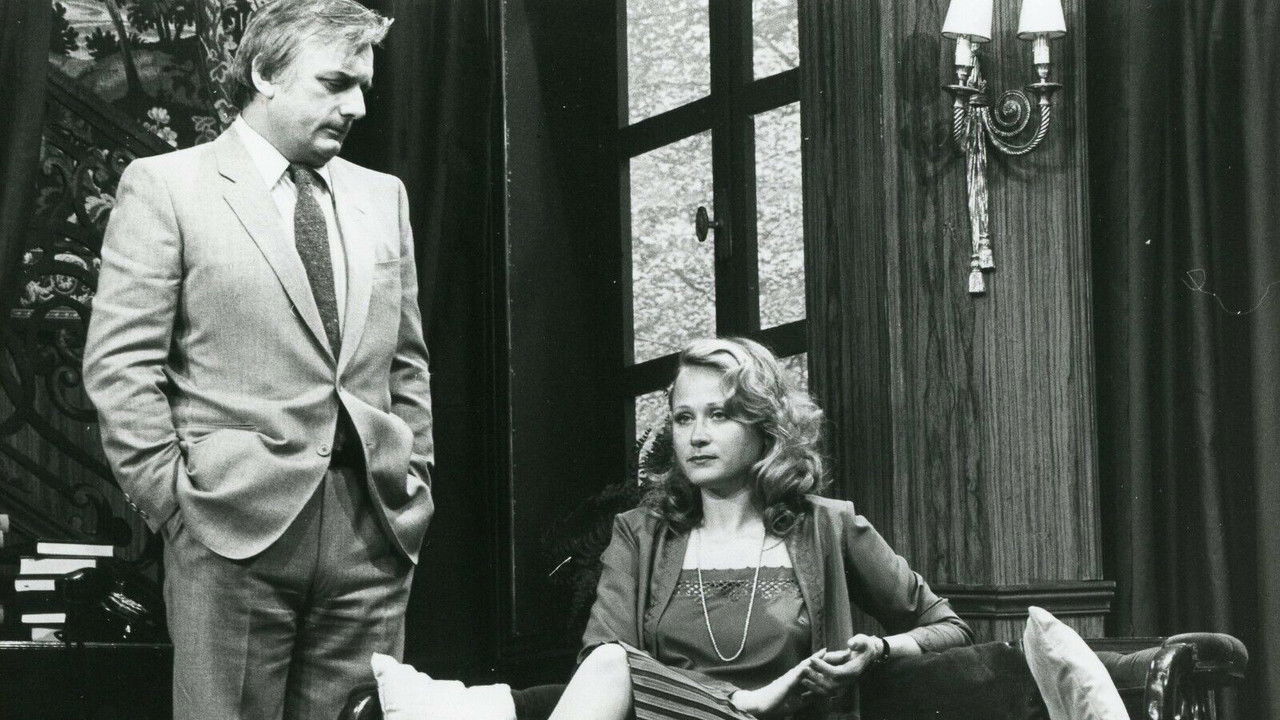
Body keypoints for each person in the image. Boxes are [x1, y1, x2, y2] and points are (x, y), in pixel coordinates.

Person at [81, 2, 434, 718]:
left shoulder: (382, 197)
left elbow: (407, 364)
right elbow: (120, 367)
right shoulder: (168, 185)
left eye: (363, 87)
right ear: (267, 74)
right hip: (230, 526)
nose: (357, 106)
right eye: (335, 83)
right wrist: (177, 507)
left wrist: (412, 480)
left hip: (371, 531)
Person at [401, 337, 969, 720]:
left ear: (764, 425)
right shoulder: (640, 534)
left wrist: (879, 649)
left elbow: (948, 627)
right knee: (610, 661)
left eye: (719, 415)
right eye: (682, 418)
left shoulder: (828, 526)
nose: (696, 436)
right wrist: (736, 699)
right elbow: (604, 662)